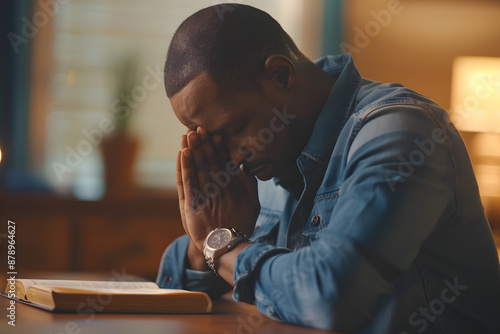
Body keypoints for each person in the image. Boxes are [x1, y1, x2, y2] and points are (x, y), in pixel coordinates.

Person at [156, 4, 500, 333]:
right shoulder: (269, 155)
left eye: (233, 129)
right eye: (211, 140)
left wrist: (222, 247)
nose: (230, 158)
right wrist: (207, 241)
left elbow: (332, 296)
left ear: (280, 75)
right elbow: (172, 281)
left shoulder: (403, 133)